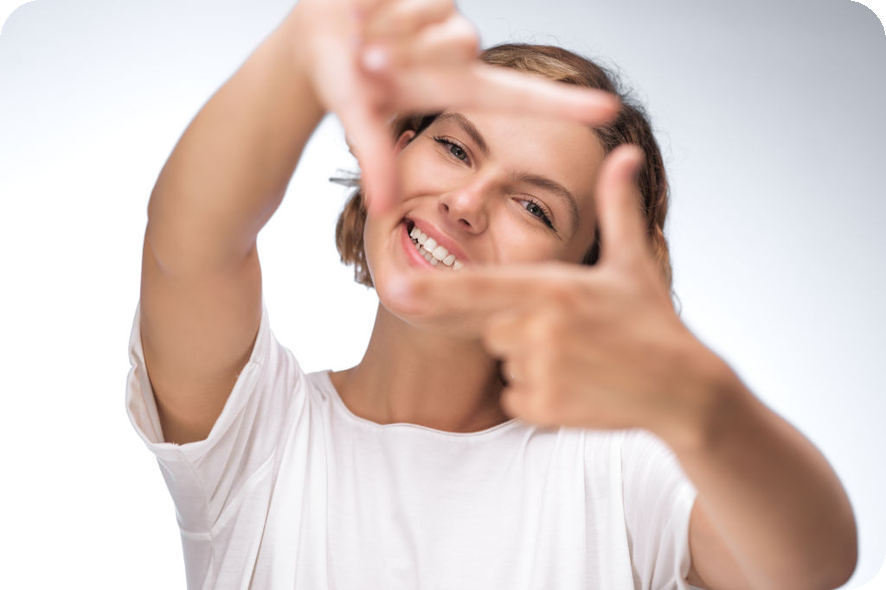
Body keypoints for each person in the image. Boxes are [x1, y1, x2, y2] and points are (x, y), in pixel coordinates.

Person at [126, 1, 858, 588]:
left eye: (534, 207)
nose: (466, 202)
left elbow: (808, 567)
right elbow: (186, 245)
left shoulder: (617, 471)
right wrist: (301, 49)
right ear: (394, 147)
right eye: (454, 148)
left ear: (586, 276)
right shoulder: (258, 436)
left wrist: (704, 404)